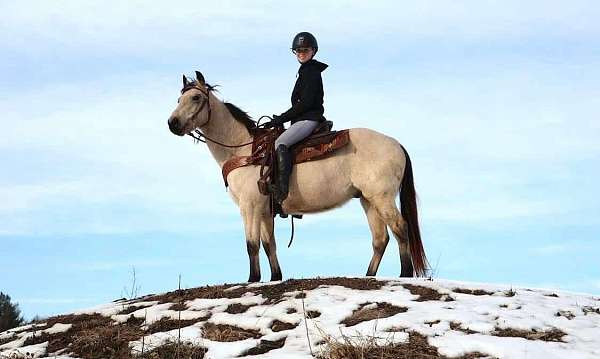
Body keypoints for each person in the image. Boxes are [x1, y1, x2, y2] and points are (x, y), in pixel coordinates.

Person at [265, 31, 329, 204]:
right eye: (298, 50)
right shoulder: (306, 71)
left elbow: (305, 104)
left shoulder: (311, 72)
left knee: (280, 143)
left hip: (309, 118)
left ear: (313, 51)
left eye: (305, 50)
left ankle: (281, 192)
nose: (301, 53)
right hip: (303, 119)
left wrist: (280, 119)